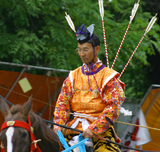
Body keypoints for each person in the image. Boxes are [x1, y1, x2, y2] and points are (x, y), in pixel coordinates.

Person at [53, 23, 125, 151]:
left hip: (100, 133)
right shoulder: (72, 76)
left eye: (85, 49)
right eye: (79, 49)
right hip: (73, 129)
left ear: (96, 49)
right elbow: (62, 104)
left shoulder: (108, 77)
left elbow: (113, 107)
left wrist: (94, 128)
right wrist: (59, 124)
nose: (82, 54)